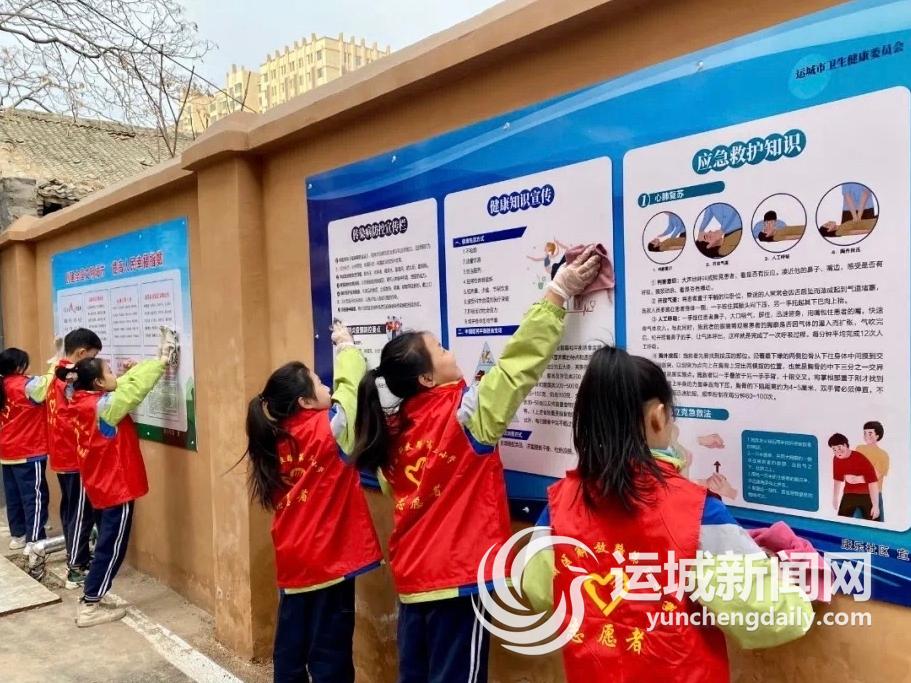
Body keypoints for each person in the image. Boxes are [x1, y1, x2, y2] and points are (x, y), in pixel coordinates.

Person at [352, 247, 601, 682]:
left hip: (413, 583)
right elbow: (516, 368)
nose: (450, 351)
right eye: (440, 349)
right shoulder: (467, 416)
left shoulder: (390, 432)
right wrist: (557, 294)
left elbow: (396, 491)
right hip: (456, 582)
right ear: (427, 378)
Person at [521, 347, 813, 682]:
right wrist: (790, 578)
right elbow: (771, 617)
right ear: (658, 416)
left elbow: (538, 590)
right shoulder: (699, 511)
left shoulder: (559, 505)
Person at [244, 322, 383, 682]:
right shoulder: (328, 428)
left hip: (294, 561)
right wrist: (347, 347)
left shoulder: (275, 438)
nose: (328, 387)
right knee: (330, 653)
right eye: (320, 384)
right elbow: (349, 393)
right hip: (328, 561)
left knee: (291, 649)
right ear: (304, 402)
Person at [61, 328, 176, 627]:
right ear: (98, 383)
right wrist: (161, 361)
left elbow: (123, 385)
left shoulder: (83, 399)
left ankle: (92, 596)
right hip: (116, 486)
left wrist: (147, 364)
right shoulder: (105, 407)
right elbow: (133, 391)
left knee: (107, 542)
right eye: (109, 371)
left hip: (101, 484)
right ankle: (90, 603)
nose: (115, 374)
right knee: (112, 546)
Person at [48, 328, 104, 590]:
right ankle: (77, 567)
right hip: (74, 455)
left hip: (62, 454)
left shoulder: (59, 372)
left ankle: (76, 557)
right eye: (92, 357)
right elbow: (76, 416)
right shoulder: (70, 380)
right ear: (81, 353)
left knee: (71, 509)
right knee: (81, 512)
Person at [0, 347, 53, 579]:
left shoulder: (2, 384)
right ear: (20, 366)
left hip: (6, 450)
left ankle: (18, 535)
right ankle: (35, 539)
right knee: (34, 497)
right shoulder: (27, 385)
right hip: (29, 450)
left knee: (14, 497)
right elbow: (48, 383)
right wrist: (57, 362)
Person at [829, 433, 880, 521]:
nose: (837, 452)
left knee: (873, 519)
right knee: (841, 521)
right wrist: (835, 498)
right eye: (834, 449)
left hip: (866, 494)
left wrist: (875, 506)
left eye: (839, 448)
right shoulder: (836, 459)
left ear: (845, 445)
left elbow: (873, 481)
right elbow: (837, 480)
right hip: (849, 494)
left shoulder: (860, 458)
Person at [855, 421, 889, 522]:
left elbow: (875, 476)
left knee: (875, 527)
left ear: (877, 436)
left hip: (874, 495)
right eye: (865, 433)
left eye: (870, 433)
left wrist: (855, 479)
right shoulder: (859, 448)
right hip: (858, 494)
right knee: (856, 525)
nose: (866, 436)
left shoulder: (883, 455)